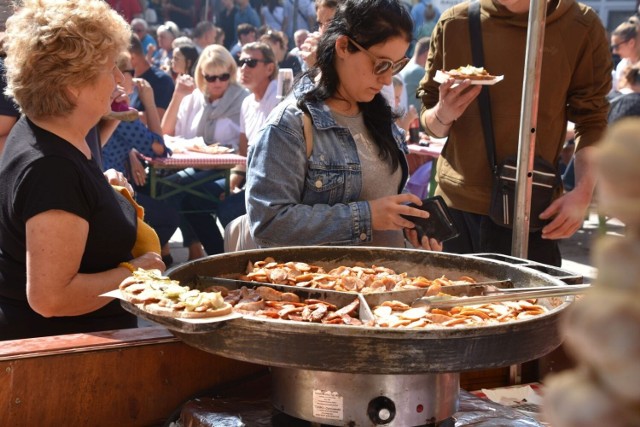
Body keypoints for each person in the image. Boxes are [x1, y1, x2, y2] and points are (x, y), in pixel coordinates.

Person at [0, 0, 165, 341]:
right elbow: (51, 297)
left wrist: (101, 189)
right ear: (72, 85)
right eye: (110, 69)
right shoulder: (51, 168)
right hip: (64, 366)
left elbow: (66, 200)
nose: (120, 79)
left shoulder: (46, 131)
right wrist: (136, 273)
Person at [417, 0, 612, 266]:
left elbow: (592, 120)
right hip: (456, 210)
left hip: (535, 210)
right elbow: (429, 121)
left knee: (530, 306)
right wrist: (443, 113)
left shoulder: (581, 25)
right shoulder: (455, 22)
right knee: (450, 307)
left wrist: (582, 192)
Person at [245, 0, 441, 251]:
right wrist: (367, 216)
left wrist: (408, 226)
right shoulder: (290, 125)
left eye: (396, 66)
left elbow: (383, 204)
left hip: (386, 283)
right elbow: (268, 224)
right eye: (380, 64)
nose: (386, 78)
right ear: (343, 46)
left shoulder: (378, 114)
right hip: (320, 286)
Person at [161, 45, 250, 258]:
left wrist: (235, 179)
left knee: (181, 190)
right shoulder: (194, 98)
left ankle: (208, 254)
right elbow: (166, 133)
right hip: (195, 165)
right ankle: (213, 254)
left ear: (231, 73)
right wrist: (177, 96)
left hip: (230, 169)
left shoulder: (243, 99)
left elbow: (245, 149)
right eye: (211, 78)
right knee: (171, 188)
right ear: (202, 75)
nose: (218, 82)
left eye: (223, 76)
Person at [102, 52, 179, 266]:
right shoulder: (118, 106)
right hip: (111, 191)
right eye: (130, 72)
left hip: (108, 184)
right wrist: (150, 102)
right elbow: (159, 149)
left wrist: (131, 152)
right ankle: (140, 260)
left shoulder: (108, 103)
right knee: (170, 217)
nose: (134, 79)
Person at [129, 34, 175, 121]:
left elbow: (158, 117)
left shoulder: (162, 81)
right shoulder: (126, 79)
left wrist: (118, 117)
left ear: (132, 57)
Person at [399, 36, 429, 121]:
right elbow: (432, 95)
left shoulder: (407, 66)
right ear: (427, 53)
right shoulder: (418, 71)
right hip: (414, 123)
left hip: (406, 119)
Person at [610, 20, 640, 95]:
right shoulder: (622, 65)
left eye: (616, 47)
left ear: (631, 43)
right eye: (612, 47)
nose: (614, 51)